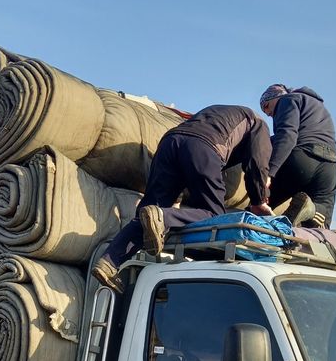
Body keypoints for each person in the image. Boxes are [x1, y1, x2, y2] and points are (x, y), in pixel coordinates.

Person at [92, 105, 272, 292]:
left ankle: (109, 262)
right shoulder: (259, 124)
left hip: (170, 142)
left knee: (149, 212)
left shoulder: (222, 112)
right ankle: (163, 217)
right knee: (214, 218)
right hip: (203, 147)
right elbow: (257, 163)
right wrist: (259, 200)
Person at [260, 82, 336, 228]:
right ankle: (312, 209)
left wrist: (269, 173)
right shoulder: (320, 108)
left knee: (261, 205)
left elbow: (287, 135)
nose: (269, 113)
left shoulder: (287, 100)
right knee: (319, 226)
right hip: (330, 167)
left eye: (266, 106)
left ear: (276, 96)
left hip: (302, 158)